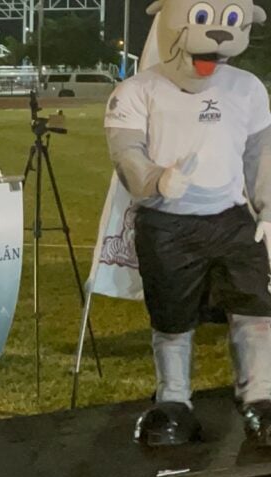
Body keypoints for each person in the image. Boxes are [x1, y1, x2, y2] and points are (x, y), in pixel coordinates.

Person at [105, 0, 271, 447]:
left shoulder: (248, 88)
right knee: (172, 318)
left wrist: (268, 207)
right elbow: (126, 153)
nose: (216, 36)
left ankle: (260, 397)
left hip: (233, 219)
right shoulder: (138, 90)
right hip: (168, 222)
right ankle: (174, 401)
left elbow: (260, 154)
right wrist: (156, 179)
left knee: (254, 307)